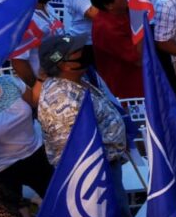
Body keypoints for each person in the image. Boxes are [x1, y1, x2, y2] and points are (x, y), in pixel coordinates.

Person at [36, 35, 127, 166]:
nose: (83, 51)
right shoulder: (64, 103)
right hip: (98, 170)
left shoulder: (76, 79)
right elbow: (78, 152)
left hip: (108, 159)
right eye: (76, 51)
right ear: (64, 65)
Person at [88, 0, 142, 99]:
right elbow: (138, 58)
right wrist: (142, 26)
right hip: (128, 90)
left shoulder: (124, 10)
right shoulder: (106, 27)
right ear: (109, 5)